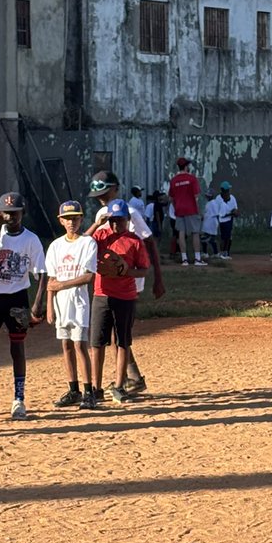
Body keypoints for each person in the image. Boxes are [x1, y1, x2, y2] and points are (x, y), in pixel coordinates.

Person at [0, 191, 47, 421]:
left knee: (17, 348)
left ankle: (19, 399)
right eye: (6, 212)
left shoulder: (31, 239)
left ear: (23, 213)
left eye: (15, 213)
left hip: (17, 296)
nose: (11, 217)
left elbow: (42, 273)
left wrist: (37, 304)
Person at [86, 169, 165, 396]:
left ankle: (129, 380)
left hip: (129, 276)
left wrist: (157, 278)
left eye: (105, 191)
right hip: (106, 280)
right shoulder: (103, 214)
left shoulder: (129, 212)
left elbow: (148, 242)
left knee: (119, 334)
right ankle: (131, 378)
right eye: (98, 194)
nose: (101, 197)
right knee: (111, 335)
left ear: (116, 187)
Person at [90, 199, 150, 403]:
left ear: (128, 219)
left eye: (121, 220)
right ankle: (95, 389)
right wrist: (97, 224)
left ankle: (119, 386)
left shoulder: (134, 241)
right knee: (97, 343)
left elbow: (143, 269)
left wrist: (127, 271)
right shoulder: (100, 236)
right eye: (113, 220)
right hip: (102, 294)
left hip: (125, 296)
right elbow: (81, 245)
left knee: (122, 341)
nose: (116, 225)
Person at [46, 200, 98, 411]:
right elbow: (51, 280)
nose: (71, 222)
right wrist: (49, 305)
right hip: (61, 302)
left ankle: (89, 391)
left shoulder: (87, 243)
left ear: (81, 219)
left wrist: (63, 284)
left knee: (79, 344)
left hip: (78, 301)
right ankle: (73, 388)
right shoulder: (56, 246)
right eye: (67, 218)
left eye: (75, 218)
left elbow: (88, 277)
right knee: (66, 345)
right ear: (60, 220)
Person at [168, 156, 205, 268]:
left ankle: (184, 259)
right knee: (195, 233)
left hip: (179, 209)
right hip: (191, 209)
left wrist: (176, 206)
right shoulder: (192, 179)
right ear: (186, 166)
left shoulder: (173, 180)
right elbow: (196, 195)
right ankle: (197, 258)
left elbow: (171, 198)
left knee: (181, 233)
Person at [215, 181, 238, 259]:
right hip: (221, 221)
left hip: (229, 220)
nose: (229, 191)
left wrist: (233, 213)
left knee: (228, 237)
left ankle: (226, 252)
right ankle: (222, 252)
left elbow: (235, 210)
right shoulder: (218, 199)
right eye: (227, 189)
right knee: (223, 238)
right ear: (223, 190)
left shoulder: (232, 198)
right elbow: (218, 212)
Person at [201, 188, 220, 259]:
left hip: (210, 223)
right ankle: (216, 253)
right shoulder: (209, 203)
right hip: (208, 223)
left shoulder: (213, 203)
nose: (207, 196)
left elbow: (216, 213)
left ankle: (205, 253)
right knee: (211, 240)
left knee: (204, 238)